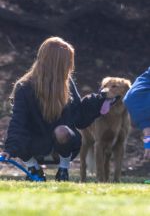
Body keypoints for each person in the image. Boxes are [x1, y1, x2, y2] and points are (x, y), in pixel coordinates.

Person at [0, 37, 115, 182]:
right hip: (36, 146)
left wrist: (101, 99)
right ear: (57, 63)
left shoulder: (68, 84)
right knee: (19, 137)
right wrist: (10, 148)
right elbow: (18, 122)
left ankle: (63, 169)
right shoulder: (24, 88)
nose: (70, 66)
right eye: (68, 61)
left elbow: (79, 116)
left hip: (62, 146)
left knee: (62, 131)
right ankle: (33, 167)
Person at [123, 67, 150, 160]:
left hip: (131, 99)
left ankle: (148, 149)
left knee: (147, 130)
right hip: (139, 97)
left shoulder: (141, 116)